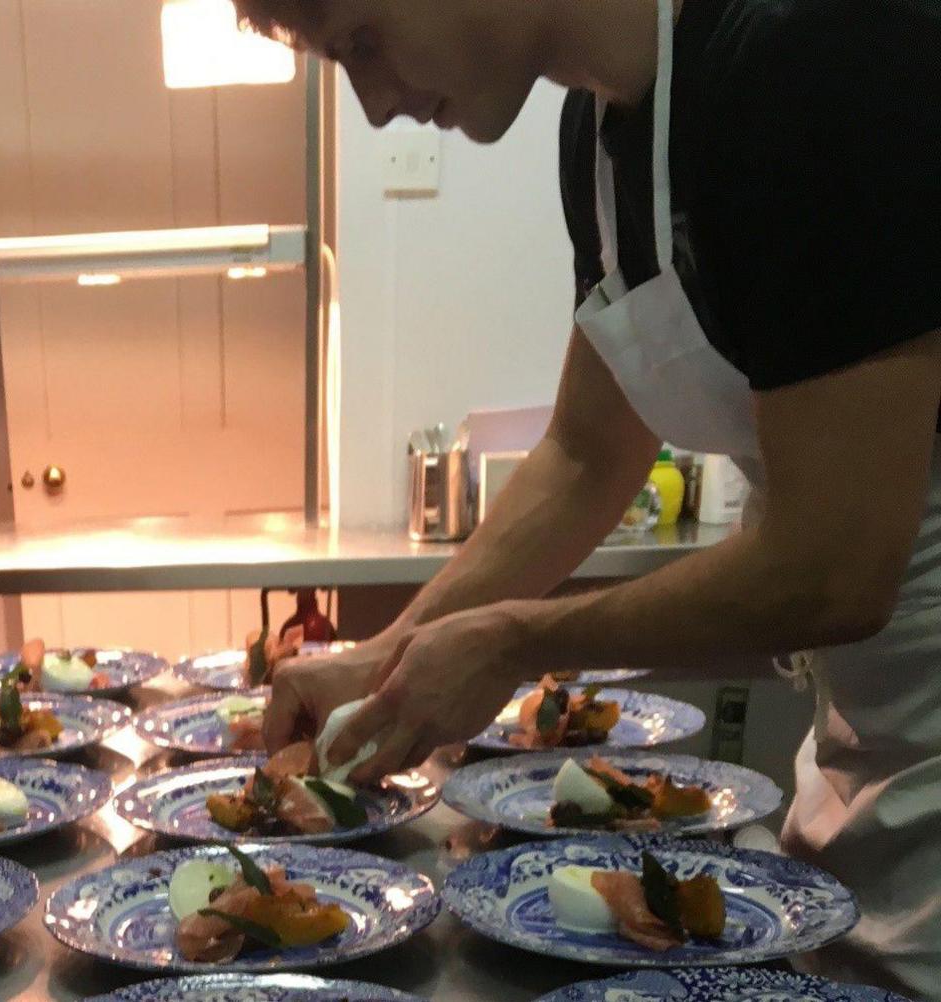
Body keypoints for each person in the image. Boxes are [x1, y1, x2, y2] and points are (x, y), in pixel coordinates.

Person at [237, 0, 941, 995]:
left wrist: (514, 640)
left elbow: (836, 562)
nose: (374, 105)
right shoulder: (602, 131)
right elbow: (581, 455)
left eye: (362, 42)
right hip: (861, 742)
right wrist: (386, 660)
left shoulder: (813, 48)